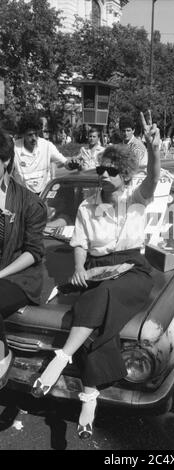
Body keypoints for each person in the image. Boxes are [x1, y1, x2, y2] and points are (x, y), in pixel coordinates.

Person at [31, 111, 160, 440]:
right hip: (98, 268)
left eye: (111, 171)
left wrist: (153, 149)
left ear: (125, 177)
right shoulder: (88, 206)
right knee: (97, 322)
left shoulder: (136, 198)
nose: (103, 174)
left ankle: (61, 358)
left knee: (99, 299)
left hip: (133, 268)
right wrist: (78, 268)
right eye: (101, 168)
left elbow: (153, 178)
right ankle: (89, 400)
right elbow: (80, 244)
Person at [0, 129, 47, 390]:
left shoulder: (29, 202)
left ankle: (2, 358)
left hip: (19, 276)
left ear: (5, 161)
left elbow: (34, 252)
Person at [13, 113, 73, 195]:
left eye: (36, 134)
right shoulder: (14, 148)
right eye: (30, 135)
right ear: (23, 134)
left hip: (43, 196)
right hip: (22, 197)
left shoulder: (47, 146)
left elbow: (65, 163)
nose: (34, 138)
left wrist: (73, 164)